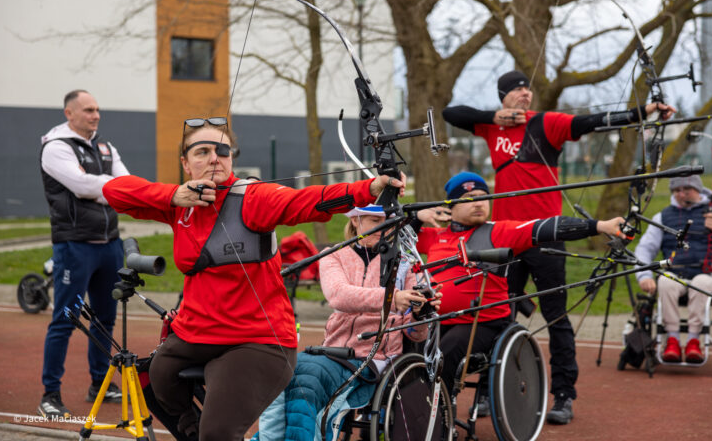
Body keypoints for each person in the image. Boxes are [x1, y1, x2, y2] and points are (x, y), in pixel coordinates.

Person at [102, 118, 405, 441]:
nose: (214, 158)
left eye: (222, 150)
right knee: (153, 379)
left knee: (217, 432)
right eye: (202, 152)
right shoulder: (180, 205)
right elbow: (113, 191)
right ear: (185, 164)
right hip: (197, 332)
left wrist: (368, 189)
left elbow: (304, 201)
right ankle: (190, 430)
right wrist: (174, 195)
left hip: (257, 340)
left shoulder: (252, 197)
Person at [442, 70, 676, 424]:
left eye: (528, 88)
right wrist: (493, 117)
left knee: (556, 316)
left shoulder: (546, 123)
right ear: (503, 96)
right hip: (503, 237)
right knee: (497, 315)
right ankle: (491, 390)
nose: (525, 94)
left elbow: (591, 121)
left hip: (545, 235)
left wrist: (641, 112)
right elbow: (450, 113)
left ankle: (564, 395)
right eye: (517, 90)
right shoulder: (490, 127)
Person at [414, 172, 626, 422]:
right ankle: (408, 418)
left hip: (480, 324)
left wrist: (600, 226)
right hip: (437, 321)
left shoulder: (501, 231)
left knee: (442, 354)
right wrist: (417, 216)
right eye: (469, 198)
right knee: (409, 351)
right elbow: (385, 230)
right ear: (450, 205)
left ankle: (436, 423)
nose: (480, 203)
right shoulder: (433, 236)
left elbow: (548, 227)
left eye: (485, 197)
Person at [254, 205, 443, 441]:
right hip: (331, 349)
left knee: (308, 381)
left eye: (388, 222)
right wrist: (392, 298)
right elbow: (338, 295)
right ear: (356, 221)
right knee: (281, 371)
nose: (383, 228)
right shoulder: (335, 254)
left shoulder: (405, 262)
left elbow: (416, 335)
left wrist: (420, 312)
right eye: (375, 221)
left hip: (376, 358)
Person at [38, 89, 129, 420]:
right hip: (74, 246)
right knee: (66, 318)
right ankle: (50, 394)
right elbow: (82, 186)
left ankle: (100, 384)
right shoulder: (56, 147)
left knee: (105, 319)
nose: (96, 115)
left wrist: (104, 189)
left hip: (110, 245)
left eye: (98, 109)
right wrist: (108, 191)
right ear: (69, 113)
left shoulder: (104, 146)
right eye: (88, 110)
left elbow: (126, 183)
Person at [634, 174, 712, 363]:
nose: (681, 194)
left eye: (686, 190)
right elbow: (644, 248)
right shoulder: (663, 216)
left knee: (700, 282)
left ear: (698, 190)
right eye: (677, 191)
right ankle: (671, 340)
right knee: (665, 281)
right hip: (677, 274)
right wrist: (644, 275)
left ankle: (693, 341)